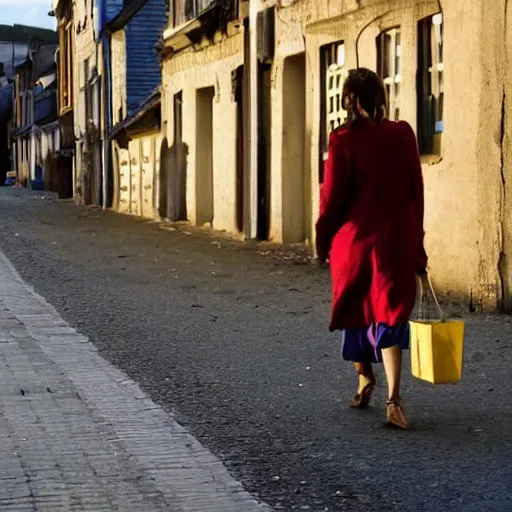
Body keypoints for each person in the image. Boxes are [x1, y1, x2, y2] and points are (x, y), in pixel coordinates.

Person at [316, 68, 428, 429]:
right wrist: (418, 244)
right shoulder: (403, 133)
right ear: (379, 98)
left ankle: (364, 375)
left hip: (356, 244)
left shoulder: (343, 140)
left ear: (352, 101)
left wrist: (322, 239)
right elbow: (416, 193)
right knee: (390, 314)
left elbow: (332, 200)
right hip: (397, 239)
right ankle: (394, 399)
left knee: (356, 308)